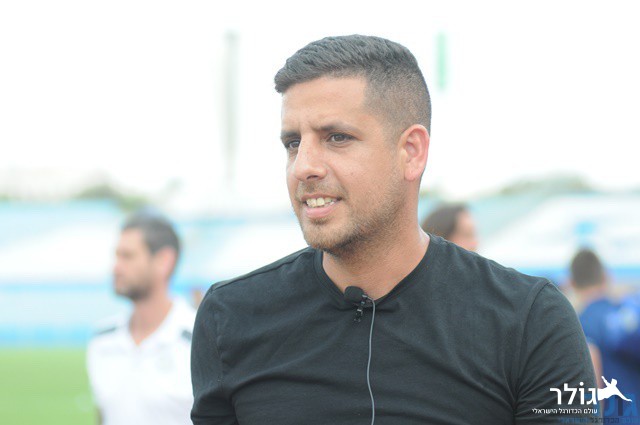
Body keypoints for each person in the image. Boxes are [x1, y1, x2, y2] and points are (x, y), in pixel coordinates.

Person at [191, 35, 597, 424]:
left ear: (411, 152)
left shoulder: (531, 321)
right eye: (293, 143)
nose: (303, 167)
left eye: (336, 137)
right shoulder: (230, 317)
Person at [87, 214, 196, 425]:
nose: (116, 267)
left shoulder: (200, 341)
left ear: (164, 261)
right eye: (116, 256)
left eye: (127, 256)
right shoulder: (101, 340)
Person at [569, 248, 640, 419]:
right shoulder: (631, 314)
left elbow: (592, 387)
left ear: (572, 283)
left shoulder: (580, 325)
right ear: (605, 277)